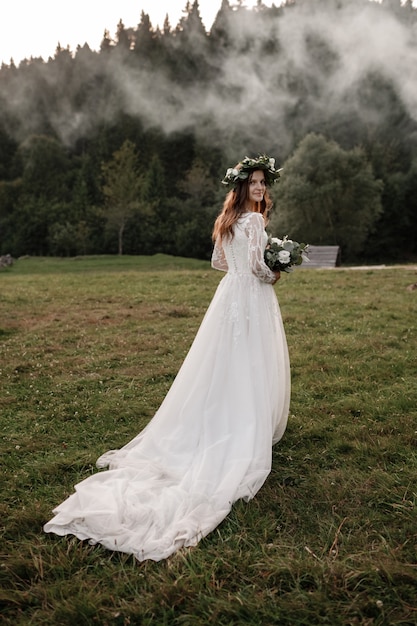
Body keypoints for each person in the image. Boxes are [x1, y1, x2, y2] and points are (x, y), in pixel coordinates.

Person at [44, 154, 291, 562]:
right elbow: (254, 267)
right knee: (250, 361)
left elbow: (218, 263)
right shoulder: (255, 221)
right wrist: (276, 268)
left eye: (265, 183)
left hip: (228, 297)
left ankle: (224, 417)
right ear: (243, 187)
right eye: (256, 183)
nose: (261, 189)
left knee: (224, 364)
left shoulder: (226, 220)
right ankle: (244, 425)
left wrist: (250, 270)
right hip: (249, 299)